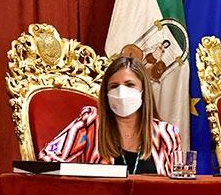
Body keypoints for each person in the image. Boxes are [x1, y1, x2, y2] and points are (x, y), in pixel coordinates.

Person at [38, 56, 181, 175]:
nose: (121, 92)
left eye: (130, 84)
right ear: (106, 93)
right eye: (114, 86)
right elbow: (46, 160)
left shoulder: (167, 133)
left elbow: (176, 187)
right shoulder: (91, 123)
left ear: (144, 91)